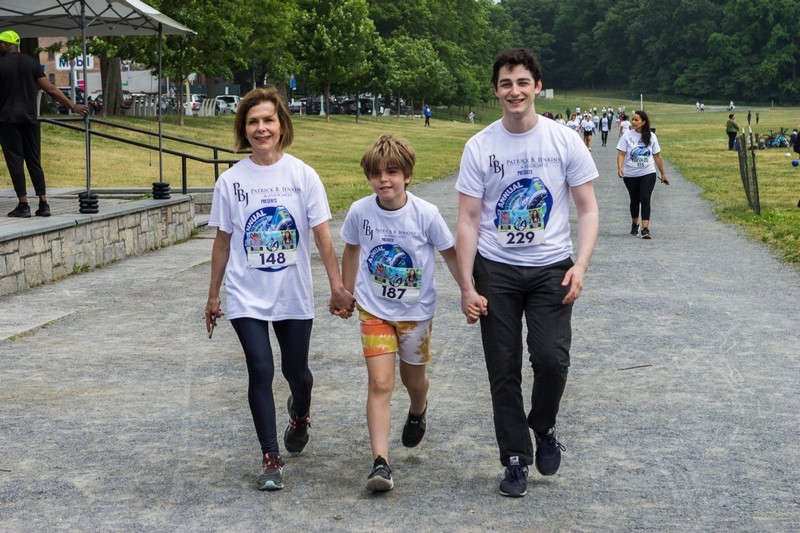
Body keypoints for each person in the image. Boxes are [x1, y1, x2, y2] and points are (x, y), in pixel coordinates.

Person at [456, 48, 599, 498]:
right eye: (506, 83)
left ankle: (544, 423)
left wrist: (581, 264)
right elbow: (468, 220)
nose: (514, 91)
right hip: (495, 268)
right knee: (503, 367)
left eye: (522, 82)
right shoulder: (480, 146)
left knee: (551, 359)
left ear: (537, 86)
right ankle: (515, 458)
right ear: (496, 90)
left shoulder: (564, 140)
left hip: (550, 268)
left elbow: (588, 208)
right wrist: (466, 285)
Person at [204, 87, 355, 491]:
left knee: (295, 372)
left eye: (268, 120)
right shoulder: (230, 181)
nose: (261, 128)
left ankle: (300, 414)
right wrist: (213, 295)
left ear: (281, 124)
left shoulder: (303, 176)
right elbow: (222, 242)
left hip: (292, 292)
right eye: (253, 121)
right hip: (246, 294)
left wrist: (337, 287)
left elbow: (323, 237)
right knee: (261, 368)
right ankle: (270, 457)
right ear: (243, 129)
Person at [339, 134, 481, 492]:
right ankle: (381, 463)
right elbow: (352, 249)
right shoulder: (360, 212)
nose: (383, 180)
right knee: (380, 383)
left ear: (408, 176)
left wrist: (468, 290)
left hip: (415, 314)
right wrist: (345, 290)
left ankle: (418, 409)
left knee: (412, 380)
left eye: (392, 172)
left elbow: (451, 254)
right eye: (376, 173)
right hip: (374, 310)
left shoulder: (425, 214)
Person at [0, 29, 89, 218]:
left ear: (7, 44)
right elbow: (51, 89)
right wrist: (72, 106)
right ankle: (43, 203)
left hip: (8, 120)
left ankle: (23, 205)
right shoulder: (31, 63)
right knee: (33, 160)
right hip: (30, 119)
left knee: (15, 161)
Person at [616, 110, 670, 239]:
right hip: (630, 174)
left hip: (648, 172)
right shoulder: (627, 136)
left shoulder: (651, 136)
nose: (633, 122)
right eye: (633, 119)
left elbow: (657, 156)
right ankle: (635, 224)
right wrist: (620, 167)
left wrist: (663, 173)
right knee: (634, 200)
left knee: (645, 198)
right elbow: (621, 153)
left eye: (636, 120)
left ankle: (645, 229)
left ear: (643, 122)